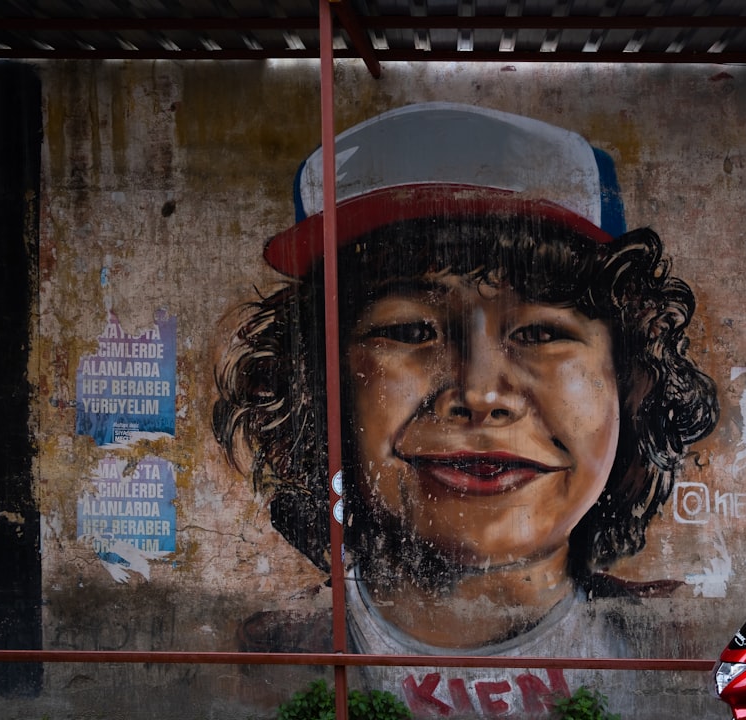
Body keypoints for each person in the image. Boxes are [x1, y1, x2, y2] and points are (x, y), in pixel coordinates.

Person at [213, 102, 719, 714]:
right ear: (321, 387)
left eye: (539, 334)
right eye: (408, 331)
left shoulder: (691, 666)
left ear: (630, 380)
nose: (480, 395)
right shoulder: (255, 672)